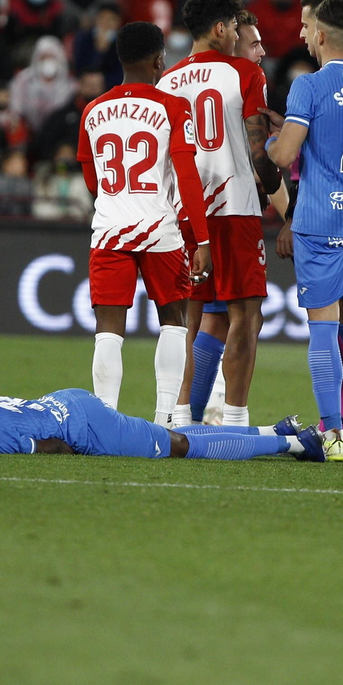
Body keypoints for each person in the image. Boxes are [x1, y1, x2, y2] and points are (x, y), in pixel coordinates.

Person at [267, 0, 343, 462]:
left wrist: (274, 135)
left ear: (320, 34)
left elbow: (283, 156)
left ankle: (332, 436)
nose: (302, 35)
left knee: (322, 327)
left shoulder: (308, 86)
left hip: (320, 221)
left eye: (306, 28)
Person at [157, 0, 280, 431]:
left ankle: (182, 413)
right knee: (246, 315)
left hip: (185, 213)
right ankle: (234, 419)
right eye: (233, 29)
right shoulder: (244, 73)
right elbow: (256, 147)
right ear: (222, 28)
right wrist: (273, 184)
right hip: (235, 207)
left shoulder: (166, 83)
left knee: (195, 315)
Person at [77, 21, 212, 427]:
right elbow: (187, 175)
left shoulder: (93, 110)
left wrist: (114, 203)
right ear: (159, 60)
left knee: (108, 328)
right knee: (174, 319)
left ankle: (103, 419)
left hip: (110, 229)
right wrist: (201, 238)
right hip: (159, 229)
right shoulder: (173, 106)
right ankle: (166, 417)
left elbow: (91, 177)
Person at [0, 391, 324, 462]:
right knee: (171, 437)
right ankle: (275, 431)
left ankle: (296, 446)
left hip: (84, 427)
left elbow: (55, 449)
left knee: (177, 447)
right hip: (63, 398)